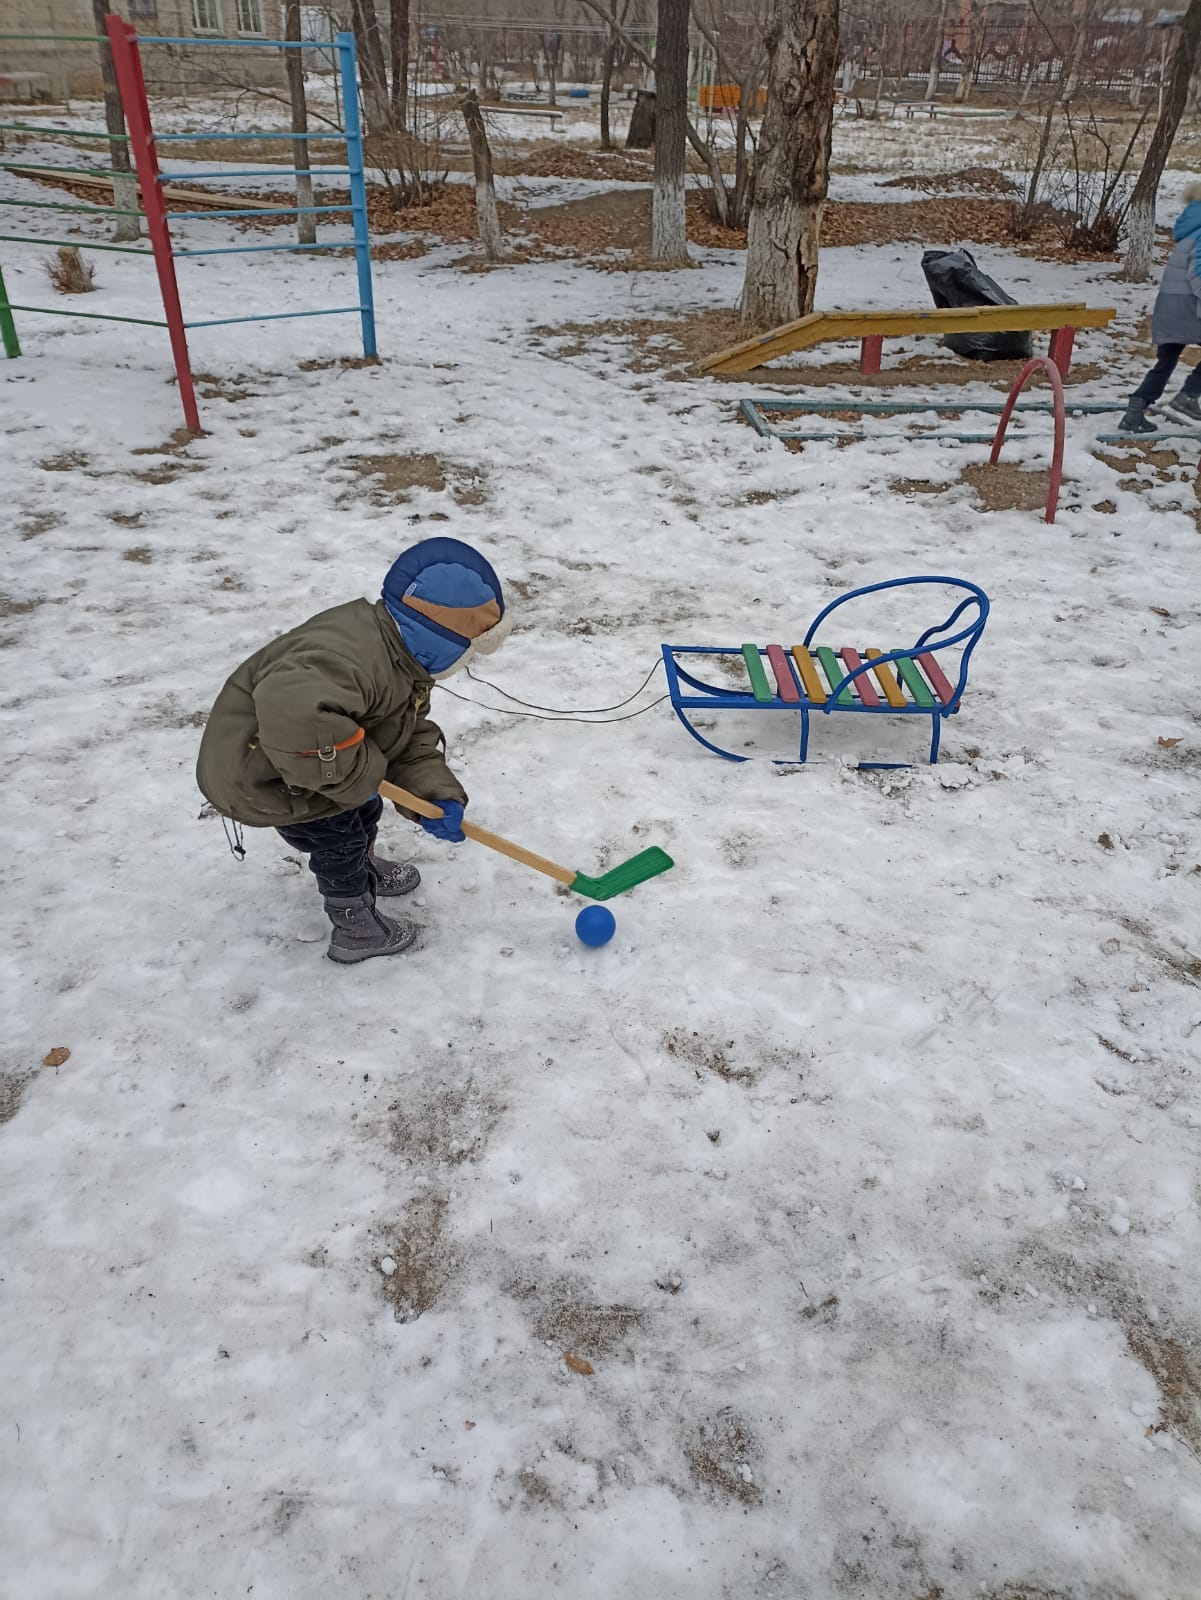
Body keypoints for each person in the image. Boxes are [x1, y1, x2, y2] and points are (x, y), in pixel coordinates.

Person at [196, 537, 508, 964]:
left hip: (315, 760)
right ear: (441, 640)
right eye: (468, 651)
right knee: (337, 835)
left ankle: (364, 860)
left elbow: (405, 734)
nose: (467, 663)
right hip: (262, 772)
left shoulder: (399, 658)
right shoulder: (356, 660)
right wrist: (361, 775)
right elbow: (292, 711)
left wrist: (434, 794)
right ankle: (355, 926)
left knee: (362, 808)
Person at [1121, 182, 1201, 434]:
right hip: (1190, 308)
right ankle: (1188, 395)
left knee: (1166, 360)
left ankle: (1136, 409)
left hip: (1170, 306)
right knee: (1168, 360)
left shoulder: (1189, 231)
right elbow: (1198, 274)